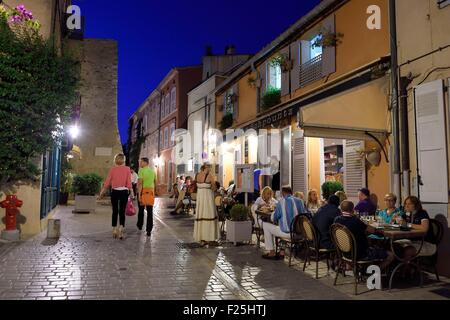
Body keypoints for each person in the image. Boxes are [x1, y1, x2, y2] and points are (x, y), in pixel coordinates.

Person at [334, 201, 394, 270]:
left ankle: (364, 270)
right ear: (353, 209)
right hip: (361, 254)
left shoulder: (336, 220)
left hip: (344, 253)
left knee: (371, 244)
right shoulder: (356, 221)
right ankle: (372, 273)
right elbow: (372, 230)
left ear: (341, 209)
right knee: (391, 255)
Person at [262, 187, 305, 260]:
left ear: (283, 193)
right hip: (301, 234)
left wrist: (273, 213)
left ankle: (271, 252)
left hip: (289, 234)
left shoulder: (281, 202)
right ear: (291, 192)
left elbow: (274, 218)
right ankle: (282, 253)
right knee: (283, 226)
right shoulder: (301, 201)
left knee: (266, 225)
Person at [99, 154, 133, 240]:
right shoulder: (127, 169)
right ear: (123, 160)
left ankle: (114, 229)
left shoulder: (112, 169)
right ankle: (121, 227)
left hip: (115, 192)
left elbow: (107, 182)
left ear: (115, 160)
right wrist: (131, 192)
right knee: (122, 211)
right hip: (124, 192)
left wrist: (102, 192)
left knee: (115, 211)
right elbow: (129, 182)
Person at [193, 164, 219, 246]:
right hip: (208, 198)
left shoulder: (197, 175)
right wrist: (214, 183)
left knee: (201, 216)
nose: (210, 169)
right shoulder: (210, 176)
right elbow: (214, 188)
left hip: (200, 198)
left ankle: (202, 239)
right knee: (209, 215)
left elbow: (196, 185)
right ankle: (210, 239)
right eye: (209, 168)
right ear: (206, 168)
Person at [137, 157, 157, 237]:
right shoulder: (153, 171)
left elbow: (140, 184)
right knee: (150, 211)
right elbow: (155, 183)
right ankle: (149, 230)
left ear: (146, 162)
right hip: (151, 192)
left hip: (143, 191)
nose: (140, 163)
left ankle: (140, 225)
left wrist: (139, 195)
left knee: (141, 210)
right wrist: (154, 193)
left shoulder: (141, 171)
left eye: (141, 162)